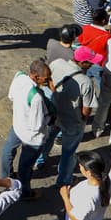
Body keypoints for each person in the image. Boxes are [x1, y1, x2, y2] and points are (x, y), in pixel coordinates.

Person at [45, 47, 101, 187]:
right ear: (82, 63)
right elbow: (86, 109)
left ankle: (40, 160)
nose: (92, 65)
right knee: (68, 153)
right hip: (72, 121)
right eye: (90, 62)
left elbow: (49, 82)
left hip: (54, 114)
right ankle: (64, 180)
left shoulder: (57, 63)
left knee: (48, 138)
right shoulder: (86, 82)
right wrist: (82, 121)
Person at [0, 60, 52, 199]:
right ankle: (25, 192)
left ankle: (6, 178)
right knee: (25, 167)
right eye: (46, 79)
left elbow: (11, 96)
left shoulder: (18, 77)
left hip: (17, 126)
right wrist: (48, 118)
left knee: (7, 151)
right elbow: (36, 126)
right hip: (32, 138)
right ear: (35, 76)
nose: (48, 81)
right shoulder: (36, 97)